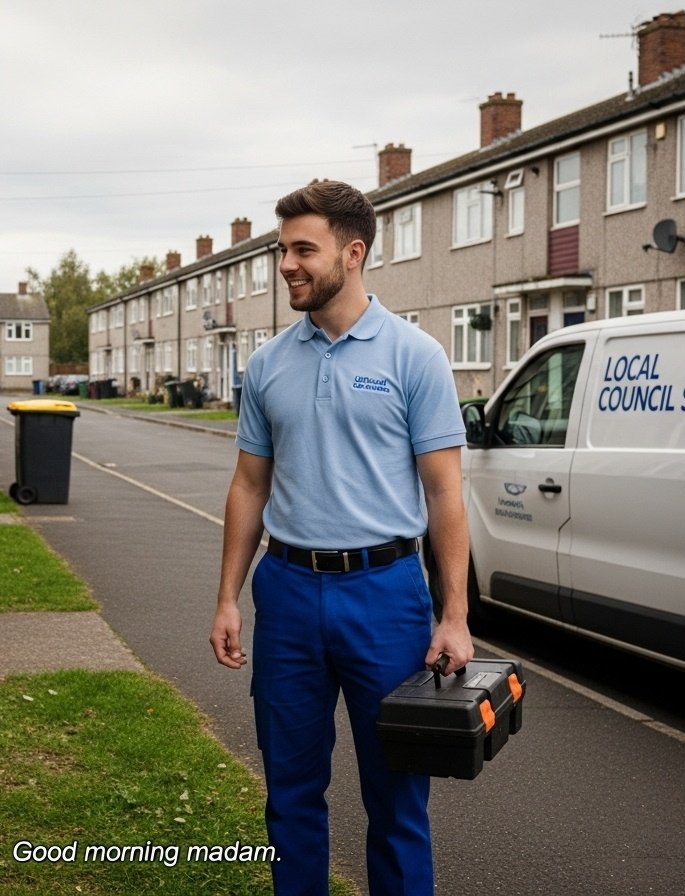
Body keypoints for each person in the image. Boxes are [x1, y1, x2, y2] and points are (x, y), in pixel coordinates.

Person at [209, 179, 473, 895]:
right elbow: (249, 486)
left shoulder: (414, 356)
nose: (287, 265)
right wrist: (228, 598)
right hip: (288, 593)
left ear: (352, 254)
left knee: (397, 799)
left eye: (303, 249)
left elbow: (445, 491)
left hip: (385, 596)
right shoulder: (266, 366)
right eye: (281, 250)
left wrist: (453, 615)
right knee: (290, 794)